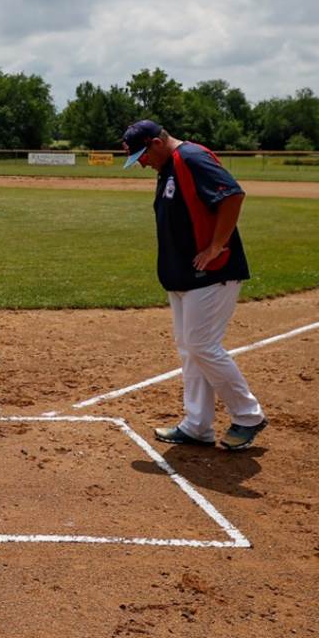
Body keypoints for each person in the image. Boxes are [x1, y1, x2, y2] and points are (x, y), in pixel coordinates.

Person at [122, 119, 267, 450]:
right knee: (190, 349)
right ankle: (197, 425)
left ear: (157, 143)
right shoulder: (169, 166)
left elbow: (232, 196)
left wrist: (216, 247)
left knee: (202, 346)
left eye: (143, 155)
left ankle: (248, 415)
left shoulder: (191, 158)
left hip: (212, 274)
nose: (142, 163)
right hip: (184, 276)